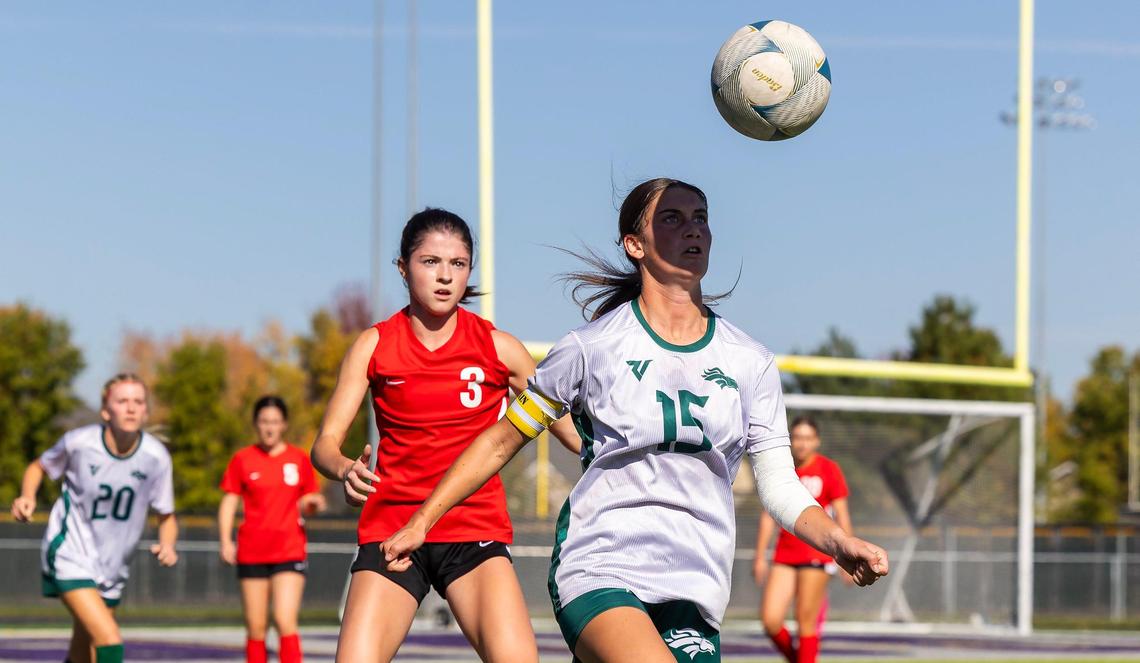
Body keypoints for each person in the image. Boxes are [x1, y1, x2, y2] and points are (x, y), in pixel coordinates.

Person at [380, 178, 890, 663]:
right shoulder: (592, 347)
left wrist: (839, 541)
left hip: (695, 584)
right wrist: (423, 520)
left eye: (701, 218)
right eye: (672, 218)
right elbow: (500, 441)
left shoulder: (749, 361)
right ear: (634, 244)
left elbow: (780, 486)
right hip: (601, 564)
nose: (693, 229)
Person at [310, 208, 580, 663]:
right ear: (403, 267)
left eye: (458, 264)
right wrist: (343, 470)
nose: (445, 276)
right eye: (430, 261)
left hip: (471, 529)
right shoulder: (374, 345)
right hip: (392, 530)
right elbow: (324, 446)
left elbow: (575, 437)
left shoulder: (499, 347)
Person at [10, 373, 178, 663]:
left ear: (146, 411)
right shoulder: (80, 443)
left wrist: (168, 544)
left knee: (83, 650)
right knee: (109, 640)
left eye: (138, 401)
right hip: (70, 553)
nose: (131, 408)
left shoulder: (156, 457)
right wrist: (27, 496)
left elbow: (166, 515)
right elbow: (38, 466)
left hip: (113, 566)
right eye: (122, 401)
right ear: (105, 410)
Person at [219, 395, 326, 663]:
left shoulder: (298, 458)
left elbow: (306, 501)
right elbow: (229, 501)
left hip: (289, 550)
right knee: (256, 627)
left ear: (284, 425)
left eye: (275, 422)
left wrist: (312, 504)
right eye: (264, 421)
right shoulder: (242, 459)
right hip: (252, 551)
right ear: (256, 424)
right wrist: (225, 540)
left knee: (284, 619)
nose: (269, 427)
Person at [754, 416, 852, 663]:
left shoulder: (829, 469)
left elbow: (842, 515)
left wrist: (848, 555)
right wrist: (760, 556)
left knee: (805, 621)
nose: (802, 444)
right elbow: (768, 516)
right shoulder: (782, 471)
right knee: (770, 619)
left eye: (808, 438)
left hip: (816, 554)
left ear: (816, 441)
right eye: (797, 437)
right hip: (784, 555)